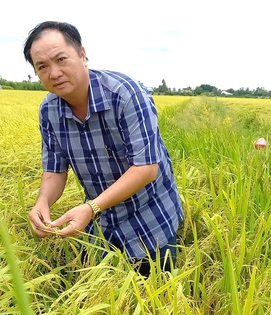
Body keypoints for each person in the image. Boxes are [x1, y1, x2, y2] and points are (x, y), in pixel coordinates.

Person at [23, 21, 184, 276]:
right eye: (43, 66)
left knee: (159, 289)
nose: (54, 73)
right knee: (109, 289)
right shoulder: (49, 111)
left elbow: (146, 168)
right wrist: (42, 202)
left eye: (61, 59)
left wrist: (91, 208)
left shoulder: (124, 93)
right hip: (104, 222)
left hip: (151, 218)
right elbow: (55, 170)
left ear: (82, 55)